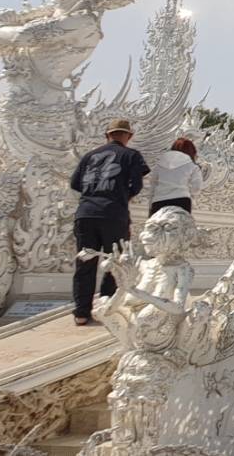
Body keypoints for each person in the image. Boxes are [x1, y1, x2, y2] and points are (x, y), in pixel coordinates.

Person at [70, 118, 149, 325]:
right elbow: (137, 185)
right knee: (114, 263)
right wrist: (122, 195)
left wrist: (94, 195)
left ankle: (81, 313)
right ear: (128, 136)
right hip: (113, 214)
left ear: (107, 135)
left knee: (84, 264)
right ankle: (106, 306)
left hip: (85, 213)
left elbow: (75, 183)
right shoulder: (131, 155)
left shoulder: (89, 156)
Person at [149, 137, 204, 215]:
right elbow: (197, 187)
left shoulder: (159, 163)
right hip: (181, 200)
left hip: (159, 200)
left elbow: (153, 184)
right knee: (180, 227)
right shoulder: (191, 165)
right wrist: (189, 195)